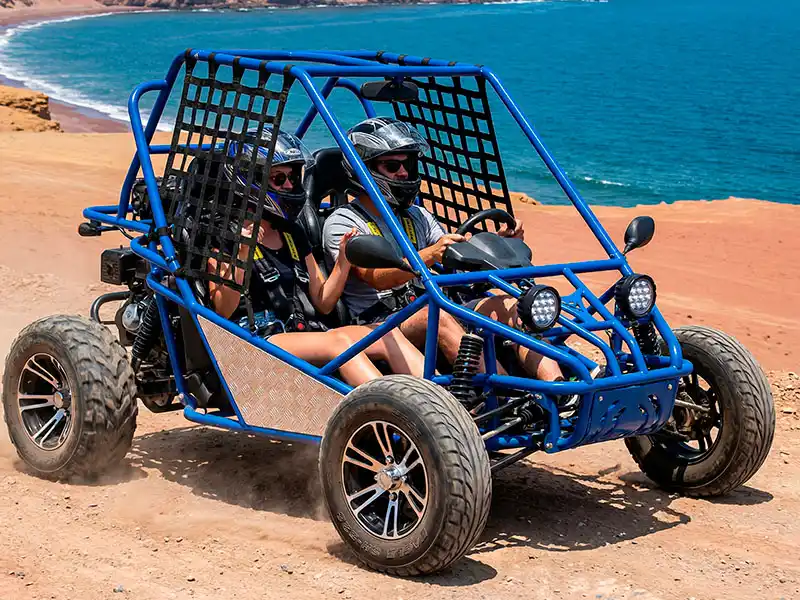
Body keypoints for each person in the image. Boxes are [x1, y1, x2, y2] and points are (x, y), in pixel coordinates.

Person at [322, 116, 565, 382]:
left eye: (409, 164)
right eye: (392, 166)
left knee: (511, 306)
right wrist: (428, 255)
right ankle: (504, 396)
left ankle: (560, 391)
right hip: (381, 320)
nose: (403, 174)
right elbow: (376, 278)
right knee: (436, 317)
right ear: (363, 170)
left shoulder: (416, 215)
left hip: (429, 303)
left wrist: (502, 244)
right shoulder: (343, 222)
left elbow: (453, 252)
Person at [206, 126, 425, 387]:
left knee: (387, 335)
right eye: (279, 179)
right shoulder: (225, 234)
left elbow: (323, 303)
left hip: (304, 333)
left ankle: (445, 405)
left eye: (292, 178)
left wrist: (344, 260)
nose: (289, 185)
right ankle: (393, 409)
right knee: (340, 343)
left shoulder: (292, 234)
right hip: (254, 338)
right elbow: (222, 308)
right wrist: (242, 252)